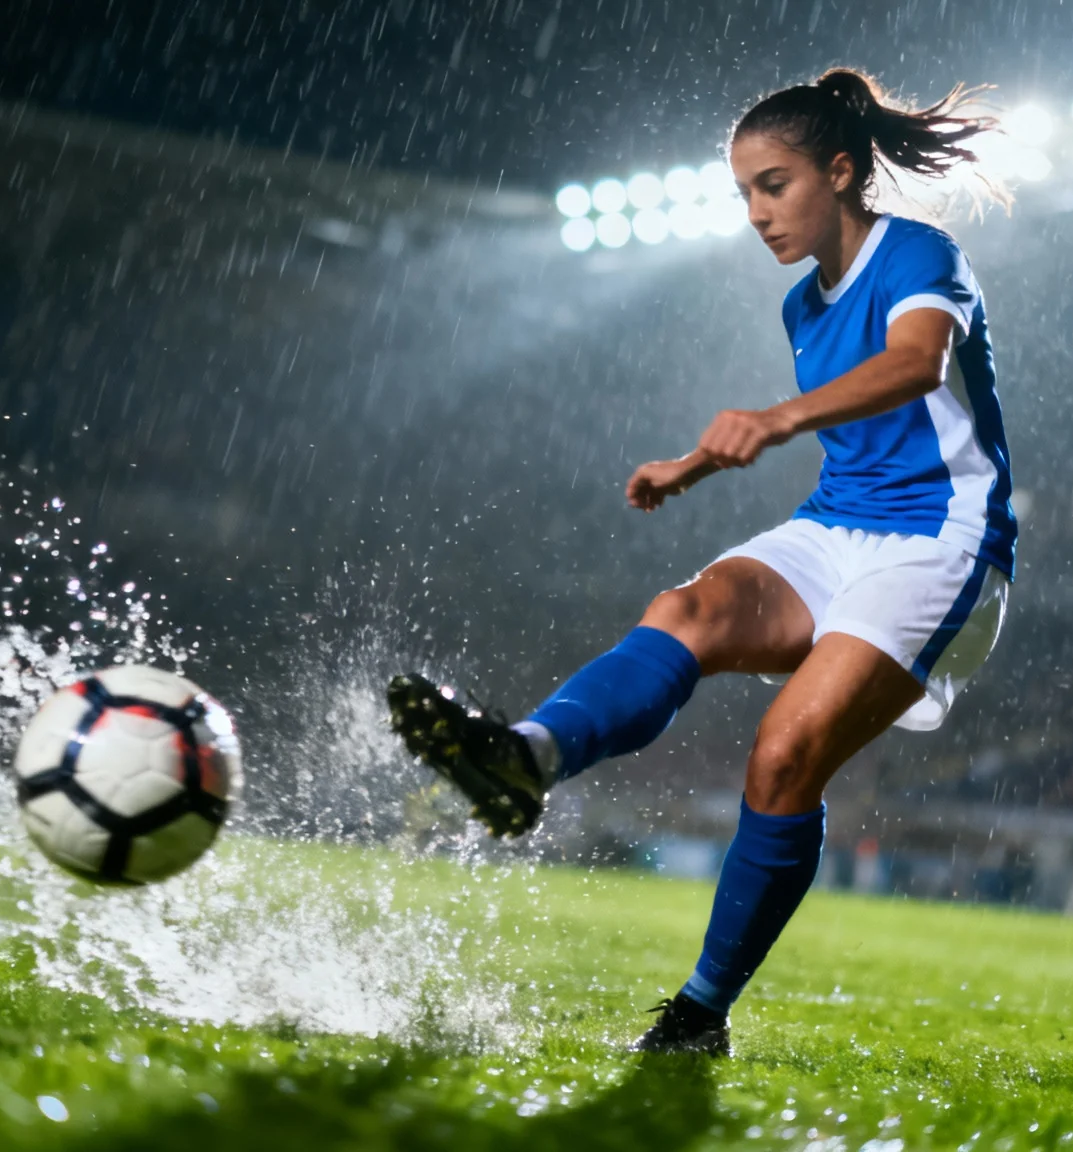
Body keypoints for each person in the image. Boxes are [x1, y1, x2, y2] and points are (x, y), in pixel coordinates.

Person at [388, 68, 1015, 1056]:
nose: (755, 213)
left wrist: (773, 417)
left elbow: (915, 364)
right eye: (742, 195)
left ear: (840, 172)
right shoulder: (802, 310)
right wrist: (689, 467)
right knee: (682, 609)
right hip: (837, 525)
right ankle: (522, 758)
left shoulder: (916, 251)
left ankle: (698, 1013)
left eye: (773, 185)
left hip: (944, 543)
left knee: (781, 755)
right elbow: (849, 433)